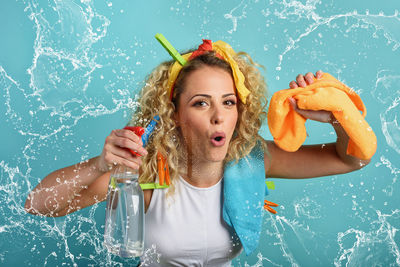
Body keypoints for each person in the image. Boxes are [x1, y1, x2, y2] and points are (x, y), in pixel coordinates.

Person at [24, 38, 372, 266]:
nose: (219, 116)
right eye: (201, 103)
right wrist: (100, 164)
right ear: (174, 113)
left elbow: (351, 158)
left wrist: (336, 118)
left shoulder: (253, 160)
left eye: (228, 102)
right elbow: (37, 205)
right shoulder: (146, 172)